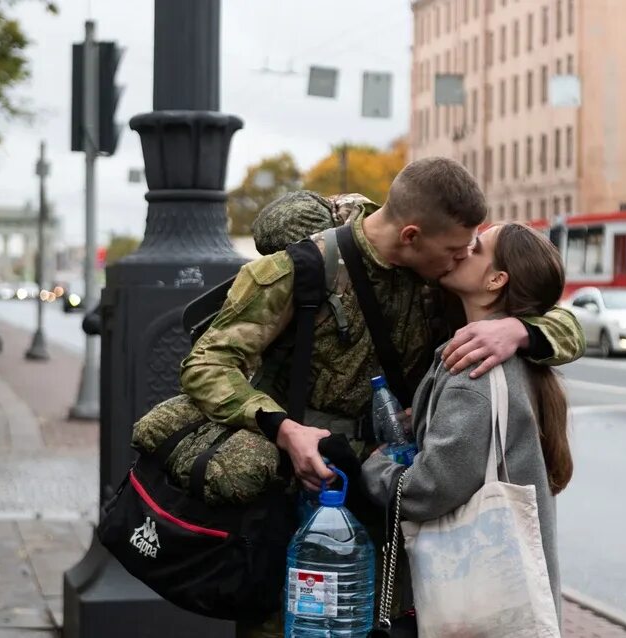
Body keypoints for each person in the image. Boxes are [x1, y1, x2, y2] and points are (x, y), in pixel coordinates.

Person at [178, 158, 584, 637]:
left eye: (471, 247)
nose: (463, 255)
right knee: (293, 624)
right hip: (304, 502)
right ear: (411, 235)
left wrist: (518, 330)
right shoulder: (305, 270)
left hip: (394, 508)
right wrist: (283, 429)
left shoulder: (440, 276)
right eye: (457, 248)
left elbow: (556, 314)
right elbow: (206, 366)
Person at [361, 222, 573, 626]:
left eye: (477, 249)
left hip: (478, 607)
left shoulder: (474, 369)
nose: (462, 250)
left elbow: (429, 489)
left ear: (496, 280)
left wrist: (376, 465)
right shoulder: (520, 355)